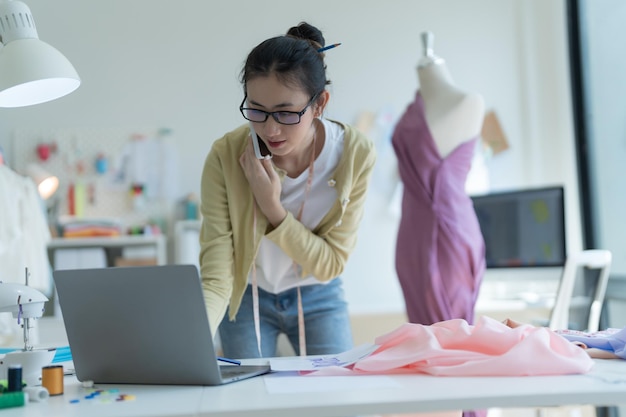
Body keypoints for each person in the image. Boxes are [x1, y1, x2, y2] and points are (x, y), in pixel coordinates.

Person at [199, 22, 376, 359]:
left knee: (335, 402)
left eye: (285, 112)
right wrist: (189, 344)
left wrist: (273, 209)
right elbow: (216, 277)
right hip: (246, 294)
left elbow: (330, 264)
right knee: (249, 405)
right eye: (256, 110)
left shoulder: (355, 155)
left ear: (320, 103)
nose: (270, 128)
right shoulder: (225, 155)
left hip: (318, 294)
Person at [391, 31, 486, 326]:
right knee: (425, 337)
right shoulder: (409, 112)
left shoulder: (467, 102)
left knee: (451, 334)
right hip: (410, 236)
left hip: (449, 233)